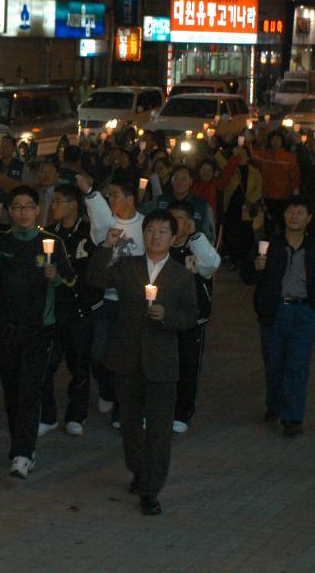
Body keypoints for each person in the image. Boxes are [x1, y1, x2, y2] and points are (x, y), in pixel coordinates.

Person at [87, 211, 198, 516]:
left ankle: (151, 489)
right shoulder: (128, 267)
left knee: (159, 430)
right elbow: (95, 278)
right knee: (130, 426)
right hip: (127, 358)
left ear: (173, 238)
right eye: (150, 230)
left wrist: (168, 317)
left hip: (161, 362)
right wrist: (107, 247)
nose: (155, 236)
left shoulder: (181, 275)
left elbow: (191, 316)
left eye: (163, 231)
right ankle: (138, 470)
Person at [0, 186, 76, 480]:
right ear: (9, 211)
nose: (23, 212)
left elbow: (70, 279)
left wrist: (55, 278)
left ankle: (22, 453)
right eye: (17, 207)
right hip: (5, 327)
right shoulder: (2, 240)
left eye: (29, 207)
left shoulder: (51, 241)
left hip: (39, 329)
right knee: (12, 392)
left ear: (37, 210)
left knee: (30, 389)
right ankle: (21, 447)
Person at [253, 195, 315, 437]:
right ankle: (274, 405)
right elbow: (249, 274)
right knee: (274, 363)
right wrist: (255, 264)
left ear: (309, 218)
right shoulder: (271, 244)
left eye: (300, 212)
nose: (294, 216)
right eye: (290, 212)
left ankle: (293, 417)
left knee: (297, 366)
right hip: (275, 311)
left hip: (303, 312)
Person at [78, 172, 147, 429]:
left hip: (132, 302)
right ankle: (107, 390)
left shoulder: (145, 224)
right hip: (108, 299)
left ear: (130, 198)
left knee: (128, 357)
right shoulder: (107, 224)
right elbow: (98, 228)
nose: (111, 199)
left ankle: (122, 406)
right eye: (109, 196)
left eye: (115, 195)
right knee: (98, 354)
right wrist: (90, 191)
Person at [38, 182, 99, 438]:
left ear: (75, 204)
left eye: (59, 201)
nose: (54, 206)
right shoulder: (48, 234)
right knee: (46, 364)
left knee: (79, 364)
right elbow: (39, 262)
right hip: (54, 308)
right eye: (53, 201)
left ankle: (76, 414)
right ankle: (47, 415)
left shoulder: (89, 233)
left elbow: (90, 273)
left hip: (79, 308)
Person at [167, 201, 221, 433]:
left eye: (180, 218)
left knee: (187, 366)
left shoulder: (196, 245)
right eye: (172, 217)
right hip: (164, 316)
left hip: (192, 318)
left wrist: (195, 236)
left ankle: (183, 412)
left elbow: (211, 264)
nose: (175, 222)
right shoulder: (161, 244)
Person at [143, 165, 216, 242]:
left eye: (184, 179)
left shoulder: (202, 205)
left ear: (191, 181)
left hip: (192, 249)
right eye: (176, 178)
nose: (180, 182)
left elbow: (210, 236)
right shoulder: (160, 200)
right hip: (162, 245)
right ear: (172, 180)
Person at [252, 130, 301, 232]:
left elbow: (295, 175)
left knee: (283, 223)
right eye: (273, 139)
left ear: (282, 141)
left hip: (284, 196)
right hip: (267, 195)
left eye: (278, 139)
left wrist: (296, 191)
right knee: (269, 224)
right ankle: (269, 246)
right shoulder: (264, 155)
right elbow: (250, 153)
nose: (275, 141)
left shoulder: (290, 157)